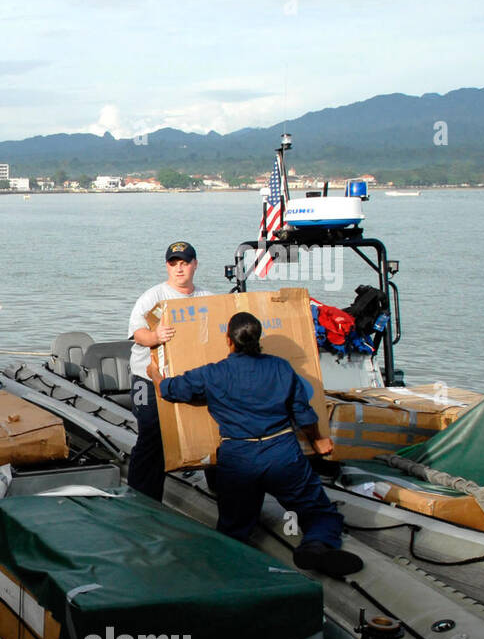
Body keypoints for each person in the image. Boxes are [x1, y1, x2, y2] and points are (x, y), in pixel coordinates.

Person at [148, 311, 364, 578]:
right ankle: (316, 544)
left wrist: (155, 374)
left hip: (239, 456)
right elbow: (303, 414)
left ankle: (227, 571)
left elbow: (169, 390)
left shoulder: (213, 373)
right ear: (258, 340)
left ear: (228, 340)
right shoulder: (281, 367)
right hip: (281, 452)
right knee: (319, 512)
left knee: (234, 525)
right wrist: (318, 441)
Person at [126, 241, 202, 500]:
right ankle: (141, 498)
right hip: (146, 379)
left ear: (194, 265)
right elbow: (138, 335)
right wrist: (155, 335)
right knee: (151, 434)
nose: (179, 269)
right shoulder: (153, 297)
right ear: (167, 267)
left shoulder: (207, 298)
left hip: (186, 377)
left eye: (184, 263)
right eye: (174, 264)